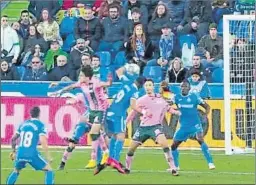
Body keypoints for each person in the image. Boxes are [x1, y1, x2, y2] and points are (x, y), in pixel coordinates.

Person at [53, 66, 123, 174]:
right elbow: (71, 86)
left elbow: (107, 85)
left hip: (100, 110)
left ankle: (105, 153)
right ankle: (103, 152)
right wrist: (59, 88)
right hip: (91, 111)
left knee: (94, 132)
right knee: (90, 131)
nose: (79, 77)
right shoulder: (82, 83)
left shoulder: (96, 82)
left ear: (87, 76)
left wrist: (110, 80)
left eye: (81, 75)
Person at [124, 79, 181, 176]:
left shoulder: (160, 98)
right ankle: (127, 168)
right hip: (143, 128)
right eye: (146, 85)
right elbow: (134, 111)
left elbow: (167, 108)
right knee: (131, 149)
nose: (148, 87)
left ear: (153, 86)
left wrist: (176, 112)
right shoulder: (142, 99)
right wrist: (126, 122)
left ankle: (173, 168)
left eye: (149, 85)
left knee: (165, 145)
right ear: (144, 87)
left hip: (155, 127)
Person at [94, 76, 147, 175]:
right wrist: (144, 112)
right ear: (141, 84)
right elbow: (133, 105)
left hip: (110, 112)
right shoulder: (135, 91)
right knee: (121, 137)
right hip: (119, 115)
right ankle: (115, 160)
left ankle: (111, 158)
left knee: (114, 135)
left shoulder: (126, 86)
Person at [170, 80, 215, 171]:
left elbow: (207, 107)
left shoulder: (194, 97)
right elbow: (168, 103)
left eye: (185, 86)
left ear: (189, 88)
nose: (183, 88)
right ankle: (176, 166)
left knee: (200, 139)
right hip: (183, 127)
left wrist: (205, 116)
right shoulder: (176, 97)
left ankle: (210, 163)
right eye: (182, 86)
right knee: (173, 146)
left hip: (195, 125)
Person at [6, 107, 54, 184]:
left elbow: (13, 139)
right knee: (49, 170)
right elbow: (43, 140)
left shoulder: (23, 124)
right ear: (39, 114)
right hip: (31, 153)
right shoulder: (40, 124)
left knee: (16, 170)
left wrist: (13, 152)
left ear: (30, 114)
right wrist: (48, 156)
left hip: (20, 152)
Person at [57, 92, 102, 170]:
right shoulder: (82, 95)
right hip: (83, 123)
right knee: (72, 144)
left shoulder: (98, 98)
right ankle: (62, 163)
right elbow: (75, 99)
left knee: (98, 141)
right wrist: (70, 101)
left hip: (92, 122)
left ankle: (98, 163)